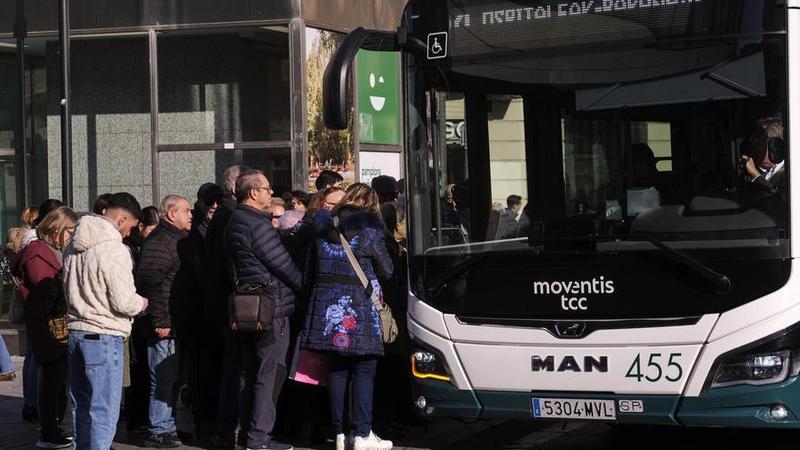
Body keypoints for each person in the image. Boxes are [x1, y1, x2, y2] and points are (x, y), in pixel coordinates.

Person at [303, 183, 394, 450]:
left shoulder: (323, 229)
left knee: (337, 370)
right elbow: (387, 271)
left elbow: (310, 269)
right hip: (362, 309)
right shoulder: (370, 230)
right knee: (364, 371)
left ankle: (341, 434)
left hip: (328, 312)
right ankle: (363, 434)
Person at [64, 193, 149, 450]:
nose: (129, 234)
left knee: (81, 407)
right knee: (103, 410)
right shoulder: (114, 249)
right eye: (130, 228)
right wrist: (142, 303)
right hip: (104, 334)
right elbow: (123, 301)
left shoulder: (73, 245)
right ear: (121, 220)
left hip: (76, 331)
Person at [226, 168, 302, 450]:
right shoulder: (256, 224)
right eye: (268, 189)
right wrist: (302, 283)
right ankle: (259, 440)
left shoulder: (235, 220)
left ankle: (249, 436)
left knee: (252, 374)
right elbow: (282, 264)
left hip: (249, 306)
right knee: (269, 375)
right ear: (253, 192)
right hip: (271, 307)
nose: (271, 193)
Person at [14, 206, 78, 448]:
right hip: (47, 325)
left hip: (54, 323)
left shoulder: (51, 250)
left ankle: (54, 427)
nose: (71, 237)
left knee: (58, 380)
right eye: (69, 231)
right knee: (52, 380)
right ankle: (49, 431)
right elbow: (43, 290)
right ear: (57, 228)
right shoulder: (38, 252)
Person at [134, 195, 193, 448]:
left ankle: (168, 425)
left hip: (176, 320)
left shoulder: (176, 238)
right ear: (171, 214)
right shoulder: (160, 241)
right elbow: (150, 283)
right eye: (186, 210)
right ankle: (159, 428)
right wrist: (160, 320)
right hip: (164, 323)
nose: (190, 215)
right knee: (163, 377)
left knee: (173, 376)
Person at [205, 165, 250, 447]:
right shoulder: (232, 217)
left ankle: (227, 428)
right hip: (232, 303)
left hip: (224, 302)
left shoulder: (224, 216)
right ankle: (231, 429)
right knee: (236, 369)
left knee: (232, 368)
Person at [740, 118, 786, 192]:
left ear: (774, 145)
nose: (753, 147)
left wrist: (755, 174)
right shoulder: (760, 173)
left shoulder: (790, 174)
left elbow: (777, 197)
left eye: (757, 142)